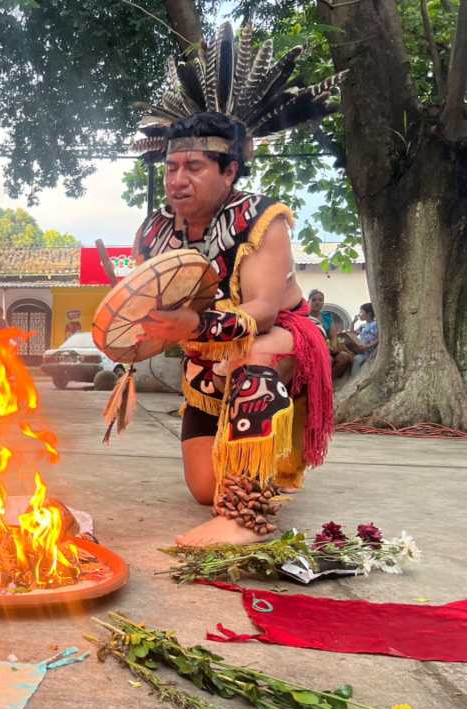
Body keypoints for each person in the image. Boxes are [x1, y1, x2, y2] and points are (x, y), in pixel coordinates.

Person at [124, 23, 342, 546]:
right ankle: (256, 468)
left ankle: (245, 519)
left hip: (280, 341)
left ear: (230, 171)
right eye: (172, 166)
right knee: (203, 489)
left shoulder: (263, 218)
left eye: (195, 166)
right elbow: (144, 313)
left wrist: (194, 325)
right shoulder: (154, 231)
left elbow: (264, 309)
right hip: (205, 356)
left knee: (254, 353)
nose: (178, 178)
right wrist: (136, 335)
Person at [309, 290, 354, 379]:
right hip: (312, 349)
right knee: (328, 360)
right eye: (314, 300)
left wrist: (333, 346)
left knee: (344, 357)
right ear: (308, 301)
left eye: (320, 300)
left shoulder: (327, 317)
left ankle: (328, 382)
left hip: (327, 348)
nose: (317, 302)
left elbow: (333, 335)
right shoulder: (304, 317)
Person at [341, 303, 378, 369]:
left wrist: (368, 346)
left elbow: (379, 338)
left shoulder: (376, 324)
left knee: (357, 359)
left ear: (369, 313)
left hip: (371, 352)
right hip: (362, 350)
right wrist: (353, 323)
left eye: (361, 312)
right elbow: (352, 335)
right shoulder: (362, 326)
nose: (359, 314)